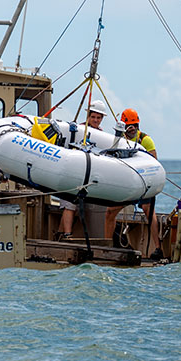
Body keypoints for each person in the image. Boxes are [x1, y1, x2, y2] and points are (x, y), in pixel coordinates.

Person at [104, 108, 164, 260]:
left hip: (144, 183)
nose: (132, 129)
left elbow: (154, 163)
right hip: (127, 185)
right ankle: (106, 247)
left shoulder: (145, 140)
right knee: (110, 212)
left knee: (148, 210)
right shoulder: (119, 140)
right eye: (129, 126)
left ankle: (158, 248)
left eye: (134, 126)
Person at [56, 99, 107, 241]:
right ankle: (67, 235)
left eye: (98, 118)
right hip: (71, 173)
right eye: (93, 117)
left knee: (73, 206)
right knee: (69, 205)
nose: (95, 120)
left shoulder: (102, 135)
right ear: (88, 116)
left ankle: (59, 235)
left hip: (86, 176)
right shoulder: (78, 130)